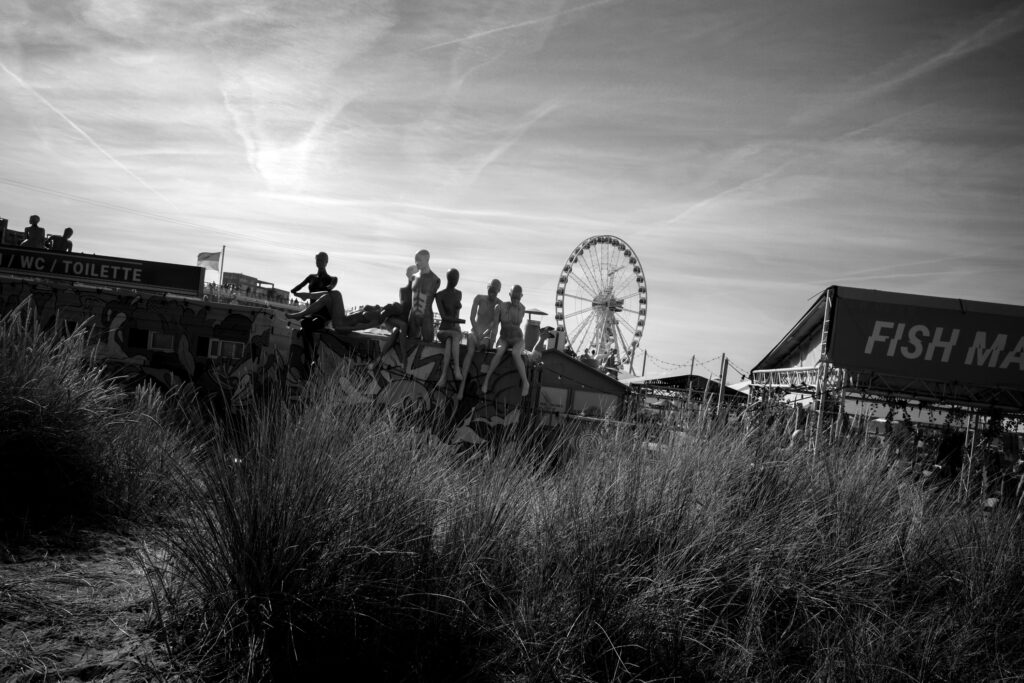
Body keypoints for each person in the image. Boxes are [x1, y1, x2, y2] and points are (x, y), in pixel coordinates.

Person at [286, 252, 343, 368]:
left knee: (306, 325)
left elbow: (328, 292)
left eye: (322, 260)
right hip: (312, 312)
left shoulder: (332, 279)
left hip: (324, 314)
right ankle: (311, 358)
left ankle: (310, 358)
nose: (320, 262)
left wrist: (307, 295)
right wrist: (298, 293)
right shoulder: (311, 277)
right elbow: (295, 289)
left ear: (327, 262)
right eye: (318, 260)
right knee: (305, 323)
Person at [481, 284, 529, 398]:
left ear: (522, 296)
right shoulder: (500, 307)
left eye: (518, 298)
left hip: (518, 339)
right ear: (509, 295)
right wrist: (488, 339)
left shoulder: (522, 308)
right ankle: (486, 380)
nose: (516, 300)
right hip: (504, 338)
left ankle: (526, 382)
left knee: (515, 353)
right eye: (513, 297)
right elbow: (494, 325)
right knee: (499, 351)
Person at [456, 278, 501, 399]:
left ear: (498, 291)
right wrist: (477, 332)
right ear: (487, 289)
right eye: (490, 290)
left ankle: (481, 387)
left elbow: (494, 324)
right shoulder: (479, 298)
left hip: (486, 336)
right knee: (470, 351)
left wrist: (485, 334)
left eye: (494, 292)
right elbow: (471, 317)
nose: (492, 294)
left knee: (484, 347)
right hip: (475, 333)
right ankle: (461, 388)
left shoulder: (499, 304)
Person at [435, 269, 464, 388]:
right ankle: (457, 368)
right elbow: (444, 317)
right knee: (453, 336)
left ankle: (443, 376)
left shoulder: (459, 293)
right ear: (448, 278)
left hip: (454, 330)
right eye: (453, 278)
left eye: (457, 279)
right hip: (444, 330)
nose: (455, 281)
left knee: (449, 341)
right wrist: (460, 321)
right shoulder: (440, 295)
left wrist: (458, 310)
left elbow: (455, 314)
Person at [408, 249, 440, 343]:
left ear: (427, 259)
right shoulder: (413, 277)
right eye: (415, 259)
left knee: (428, 345)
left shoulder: (435, 279)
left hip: (426, 316)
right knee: (410, 344)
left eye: (419, 260)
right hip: (413, 315)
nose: (417, 262)